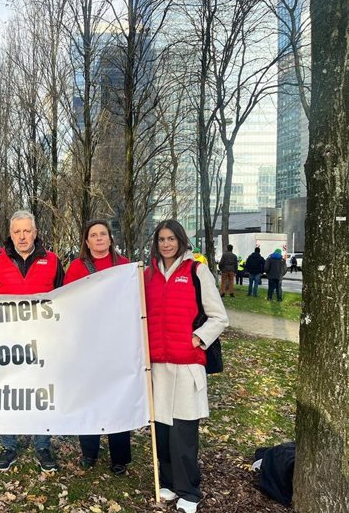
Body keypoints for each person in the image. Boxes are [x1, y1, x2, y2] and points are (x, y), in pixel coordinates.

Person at [144, 219, 228, 513]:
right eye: (161, 239)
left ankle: (189, 491)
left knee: (183, 432)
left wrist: (197, 338)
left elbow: (219, 317)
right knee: (163, 430)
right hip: (157, 364)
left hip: (186, 363)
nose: (166, 244)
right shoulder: (148, 275)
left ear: (180, 240)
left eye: (171, 239)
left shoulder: (196, 271)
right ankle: (167, 482)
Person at [0, 210, 65, 473]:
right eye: (17, 231)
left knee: (41, 393)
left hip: (44, 341)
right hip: (7, 341)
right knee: (8, 392)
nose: (22, 236)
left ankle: (42, 446)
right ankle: (9, 445)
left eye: (26, 231)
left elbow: (66, 299)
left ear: (35, 232)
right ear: (10, 234)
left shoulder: (52, 261)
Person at [63, 219, 132, 476]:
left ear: (110, 238)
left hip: (118, 344)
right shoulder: (77, 267)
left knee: (118, 398)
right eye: (94, 235)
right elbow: (68, 302)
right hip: (87, 344)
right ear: (87, 240)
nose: (100, 238)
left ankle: (119, 457)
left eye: (104, 234)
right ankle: (89, 452)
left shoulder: (125, 266)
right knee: (88, 398)